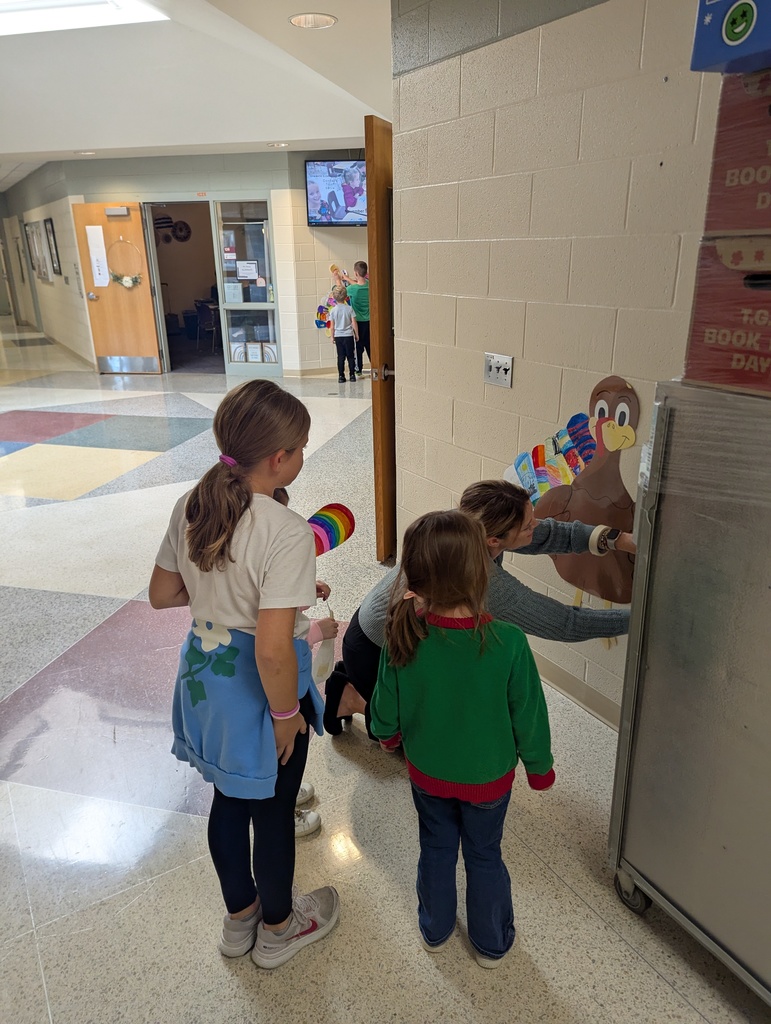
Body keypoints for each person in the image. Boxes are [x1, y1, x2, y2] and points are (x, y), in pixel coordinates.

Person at [149, 380, 340, 969]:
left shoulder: (194, 503)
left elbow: (163, 593)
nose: (303, 455)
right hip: (260, 694)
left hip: (206, 682)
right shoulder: (284, 530)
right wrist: (286, 717)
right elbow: (274, 652)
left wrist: (226, 591)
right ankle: (280, 929)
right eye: (302, 446)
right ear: (279, 458)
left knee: (226, 802)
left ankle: (241, 921)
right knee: (272, 812)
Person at [370, 510, 554, 967]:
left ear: (414, 574)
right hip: (488, 779)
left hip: (428, 773)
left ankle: (435, 928)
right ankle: (491, 942)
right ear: (481, 573)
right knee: (484, 855)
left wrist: (388, 738)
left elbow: (383, 711)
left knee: (435, 848)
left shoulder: (404, 633)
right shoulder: (509, 642)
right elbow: (529, 714)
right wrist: (539, 767)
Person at [323, 478, 636, 736]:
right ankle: (349, 697)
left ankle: (361, 686)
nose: (536, 526)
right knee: (410, 737)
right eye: (528, 525)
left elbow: (550, 534)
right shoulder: (480, 578)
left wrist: (618, 539)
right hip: (375, 650)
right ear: (494, 541)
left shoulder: (468, 521)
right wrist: (640, 620)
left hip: (392, 636)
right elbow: (565, 623)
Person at [272, 486, 340, 838]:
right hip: (282, 687)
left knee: (287, 751)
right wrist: (318, 630)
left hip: (280, 681)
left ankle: (284, 792)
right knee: (287, 747)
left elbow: (277, 598)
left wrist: (304, 589)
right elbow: (280, 634)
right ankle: (282, 812)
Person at [336, 261, 370, 375]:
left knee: (358, 347)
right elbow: (358, 283)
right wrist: (347, 278)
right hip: (369, 322)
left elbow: (340, 291)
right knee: (371, 346)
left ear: (356, 273)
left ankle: (358, 370)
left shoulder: (352, 289)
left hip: (358, 323)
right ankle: (375, 367)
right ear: (366, 272)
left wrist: (338, 279)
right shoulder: (370, 285)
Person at [329, 284, 358, 383]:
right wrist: (356, 335)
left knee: (340, 357)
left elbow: (332, 326)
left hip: (338, 336)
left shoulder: (333, 311)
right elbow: (354, 323)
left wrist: (332, 337)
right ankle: (352, 375)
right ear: (346, 297)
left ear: (334, 297)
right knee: (350, 356)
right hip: (348, 335)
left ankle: (341, 376)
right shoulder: (349, 309)